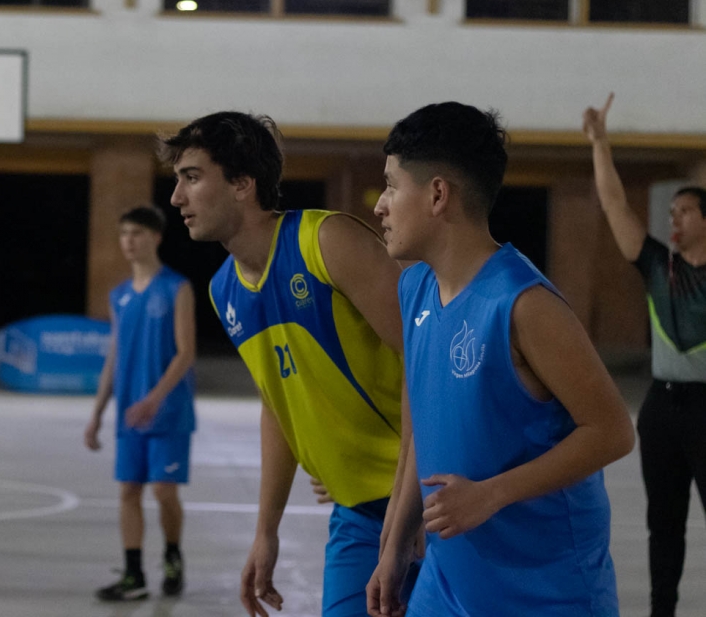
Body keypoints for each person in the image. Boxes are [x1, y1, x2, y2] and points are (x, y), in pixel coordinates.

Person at [368, 102, 635, 617]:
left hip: (546, 592)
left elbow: (612, 431)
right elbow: (423, 425)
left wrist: (492, 494)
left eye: (391, 186)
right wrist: (396, 545)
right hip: (447, 582)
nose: (380, 205)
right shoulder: (414, 287)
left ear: (438, 194)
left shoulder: (523, 302)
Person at [159, 111, 408, 617]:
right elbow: (278, 405)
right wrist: (265, 531)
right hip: (357, 513)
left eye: (192, 177)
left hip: (430, 500)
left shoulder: (325, 241)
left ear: (242, 184)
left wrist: (412, 507)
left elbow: (427, 364)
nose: (176, 198)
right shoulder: (224, 290)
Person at [583, 93, 706, 617]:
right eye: (672, 211)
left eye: (685, 211)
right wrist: (600, 143)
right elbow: (615, 205)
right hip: (661, 408)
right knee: (664, 523)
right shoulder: (659, 266)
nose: (674, 219)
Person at [85, 205, 197, 602]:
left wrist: (155, 398)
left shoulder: (177, 288)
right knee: (129, 492)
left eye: (136, 233)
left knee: (164, 492)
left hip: (168, 412)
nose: (128, 241)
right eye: (124, 234)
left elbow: (186, 353)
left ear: (156, 237)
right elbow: (114, 357)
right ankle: (134, 575)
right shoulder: (119, 296)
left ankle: (172, 554)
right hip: (130, 414)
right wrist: (97, 414)